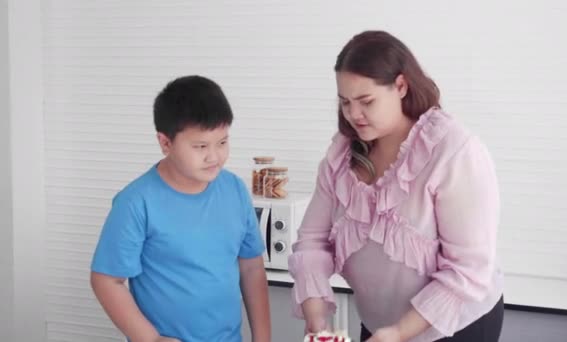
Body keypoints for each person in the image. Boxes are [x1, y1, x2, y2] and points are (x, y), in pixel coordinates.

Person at [288, 30, 504, 342]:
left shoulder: (454, 151)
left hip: (456, 325)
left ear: (401, 86)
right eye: (345, 102)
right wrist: (316, 314)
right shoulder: (340, 157)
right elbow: (311, 241)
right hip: (383, 326)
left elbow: (467, 271)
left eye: (366, 101)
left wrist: (401, 332)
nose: (353, 115)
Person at [90, 75, 271, 342]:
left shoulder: (234, 189)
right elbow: (106, 280)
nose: (214, 156)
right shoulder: (135, 202)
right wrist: (149, 339)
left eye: (222, 142)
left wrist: (263, 337)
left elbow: (252, 267)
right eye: (200, 146)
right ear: (165, 143)